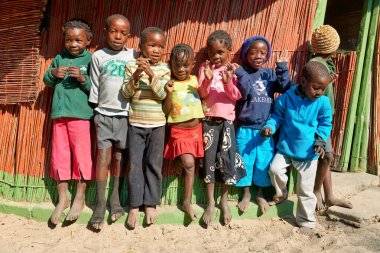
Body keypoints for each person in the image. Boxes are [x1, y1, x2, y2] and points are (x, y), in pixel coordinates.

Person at [261, 61, 333, 235]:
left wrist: (320, 141)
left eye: (323, 89)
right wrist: (270, 126)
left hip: (309, 152)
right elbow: (277, 116)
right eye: (316, 88)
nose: (319, 92)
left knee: (305, 190)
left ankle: (307, 222)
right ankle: (282, 193)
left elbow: (325, 123)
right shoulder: (286, 98)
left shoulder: (322, 102)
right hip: (286, 147)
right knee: (274, 170)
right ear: (303, 82)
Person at [88, 14, 137, 230]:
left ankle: (114, 199)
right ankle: (99, 205)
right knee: (103, 157)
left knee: (119, 157)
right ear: (106, 31)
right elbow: (95, 88)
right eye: (113, 31)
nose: (118, 36)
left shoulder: (134, 56)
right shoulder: (97, 56)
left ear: (129, 35)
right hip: (104, 114)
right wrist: (96, 113)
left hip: (126, 115)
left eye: (123, 33)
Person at [43, 19, 94, 225]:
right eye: (69, 40)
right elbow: (47, 80)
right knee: (59, 154)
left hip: (80, 116)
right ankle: (63, 198)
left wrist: (83, 79)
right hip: (59, 116)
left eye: (78, 40)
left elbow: (96, 89)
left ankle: (79, 198)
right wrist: (52, 73)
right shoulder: (59, 58)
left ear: (88, 40)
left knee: (81, 156)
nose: (73, 44)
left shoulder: (91, 60)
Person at [233, 36, 291, 214]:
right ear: (245, 54)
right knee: (245, 162)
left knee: (263, 163)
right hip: (245, 128)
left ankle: (260, 194)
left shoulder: (270, 74)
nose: (258, 56)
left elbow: (286, 88)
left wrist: (281, 67)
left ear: (267, 55)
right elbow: (244, 94)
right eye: (253, 52)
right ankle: (246, 193)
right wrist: (241, 75)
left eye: (263, 53)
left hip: (266, 130)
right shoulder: (242, 72)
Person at [121, 27, 171, 229]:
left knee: (153, 164)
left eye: (160, 46)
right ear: (141, 46)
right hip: (136, 123)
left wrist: (150, 74)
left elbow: (161, 95)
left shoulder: (165, 69)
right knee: (134, 164)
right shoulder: (131, 65)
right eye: (152, 45)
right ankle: (134, 205)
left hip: (157, 125)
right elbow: (125, 93)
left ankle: (150, 203)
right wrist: (136, 75)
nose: (156, 50)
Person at [198, 30, 246, 226]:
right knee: (209, 161)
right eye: (212, 53)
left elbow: (236, 96)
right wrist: (208, 79)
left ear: (229, 51)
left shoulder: (234, 70)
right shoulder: (204, 67)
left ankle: (223, 201)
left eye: (220, 52)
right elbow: (201, 93)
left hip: (226, 122)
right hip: (209, 121)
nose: (216, 56)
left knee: (227, 161)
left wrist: (227, 83)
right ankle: (210, 202)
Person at [310, 25, 353, 211]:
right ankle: (317, 191)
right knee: (327, 156)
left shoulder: (325, 63)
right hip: (317, 118)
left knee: (326, 156)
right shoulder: (316, 65)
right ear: (334, 47)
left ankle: (330, 196)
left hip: (324, 117)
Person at [163, 44, 205, 221]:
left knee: (195, 163)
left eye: (186, 65)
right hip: (178, 131)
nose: (181, 69)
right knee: (189, 164)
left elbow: (205, 95)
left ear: (193, 64)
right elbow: (166, 111)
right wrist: (167, 93)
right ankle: (186, 202)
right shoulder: (170, 84)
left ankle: (177, 162)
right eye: (177, 65)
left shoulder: (195, 81)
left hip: (196, 131)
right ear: (170, 64)